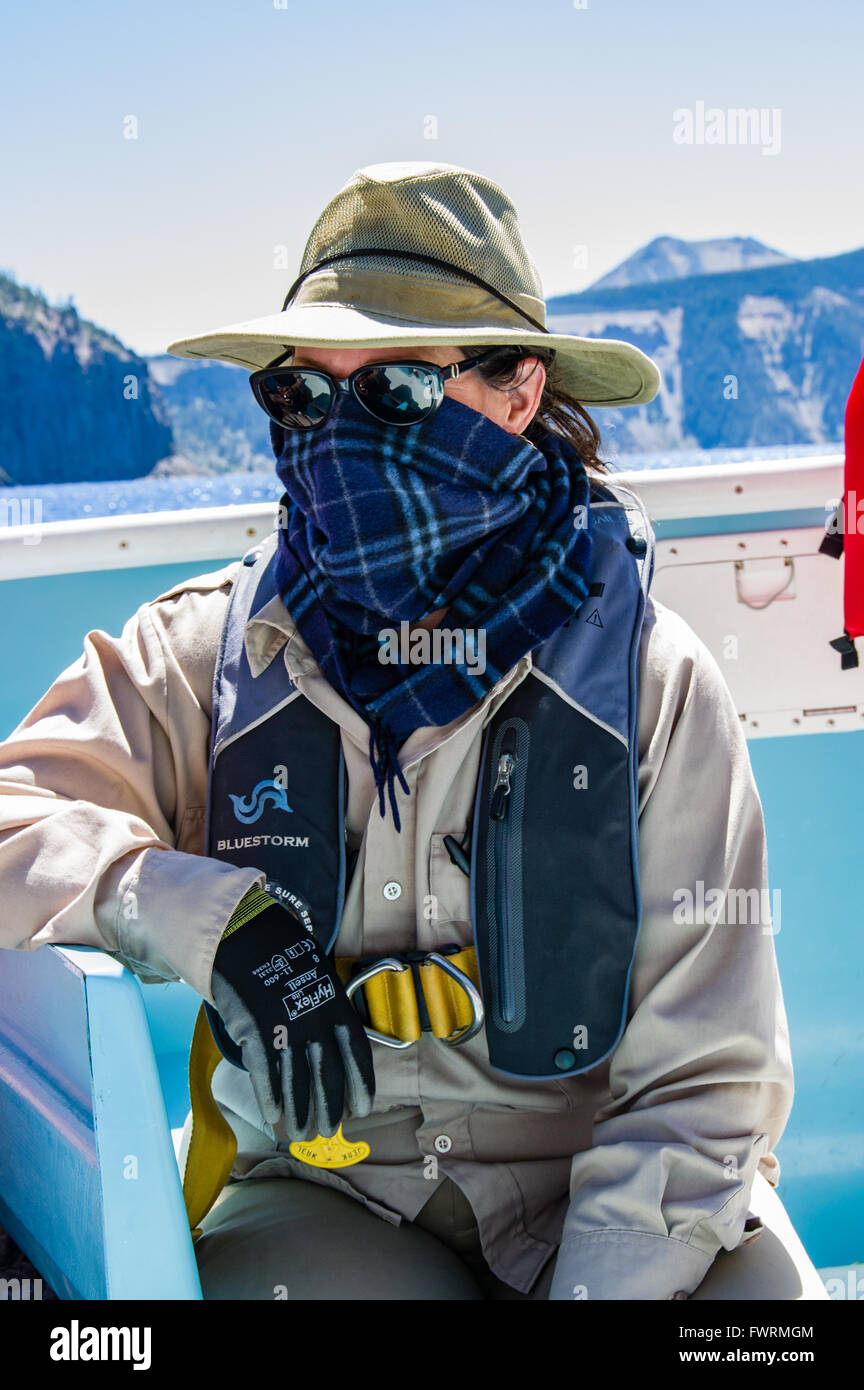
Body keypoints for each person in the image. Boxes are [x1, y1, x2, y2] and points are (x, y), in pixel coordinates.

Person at [0, 161, 820, 1302]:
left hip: (636, 1188)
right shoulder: (205, 655)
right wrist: (214, 922)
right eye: (303, 396)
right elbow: (14, 822)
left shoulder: (654, 680)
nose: (338, 436)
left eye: (395, 394)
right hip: (335, 1192)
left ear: (519, 394)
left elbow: (705, 1087)